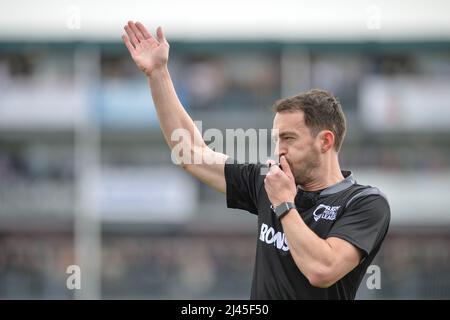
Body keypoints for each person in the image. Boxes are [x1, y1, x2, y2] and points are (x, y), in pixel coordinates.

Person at [122, 21, 391, 300]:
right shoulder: (268, 181)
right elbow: (190, 153)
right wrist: (158, 74)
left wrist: (285, 205)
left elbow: (321, 270)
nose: (278, 151)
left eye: (289, 139)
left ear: (325, 141)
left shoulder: (364, 203)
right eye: (276, 140)